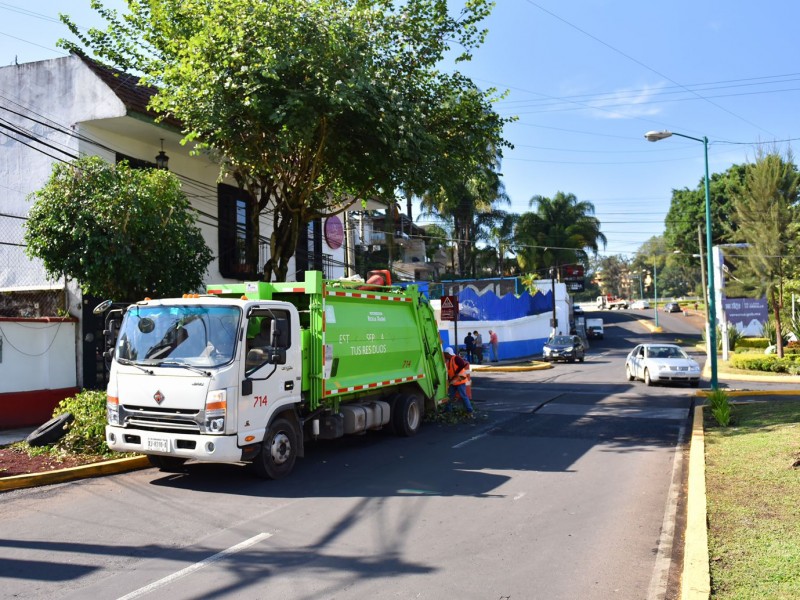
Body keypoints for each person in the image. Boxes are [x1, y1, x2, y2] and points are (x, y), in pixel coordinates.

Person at [442, 347, 473, 416]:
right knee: (450, 396)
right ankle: (448, 410)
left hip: (460, 381)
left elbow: (463, 364)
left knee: (463, 396)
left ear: (449, 354)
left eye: (446, 354)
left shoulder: (456, 358)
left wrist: (457, 372)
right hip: (453, 381)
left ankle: (469, 410)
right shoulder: (448, 360)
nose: (445, 355)